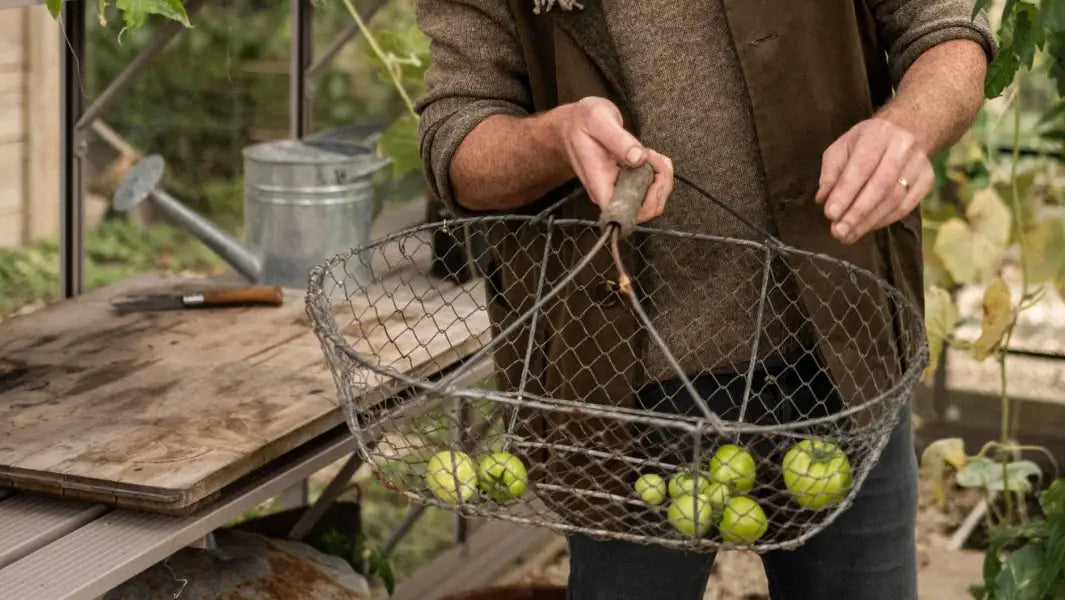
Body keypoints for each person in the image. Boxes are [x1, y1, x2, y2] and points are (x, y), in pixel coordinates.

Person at [414, 0, 991, 598]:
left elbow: (945, 28)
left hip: (840, 350)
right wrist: (556, 138)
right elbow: (456, 135)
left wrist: (909, 127)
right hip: (620, 387)